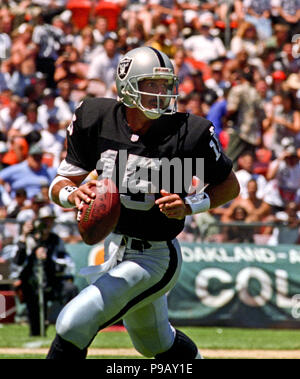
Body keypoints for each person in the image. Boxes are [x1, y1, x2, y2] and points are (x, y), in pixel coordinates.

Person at [46, 46, 239, 360]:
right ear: (126, 84)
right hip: (116, 246)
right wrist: (72, 195)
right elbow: (59, 184)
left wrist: (191, 205)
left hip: (156, 256)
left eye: (165, 85)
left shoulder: (190, 132)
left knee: (73, 323)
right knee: (153, 343)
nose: (161, 93)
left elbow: (229, 186)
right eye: (151, 84)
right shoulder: (96, 117)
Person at [12, 205, 78, 336]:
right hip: (33, 283)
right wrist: (24, 237)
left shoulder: (55, 240)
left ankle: (71, 326)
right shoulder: (29, 239)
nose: (48, 223)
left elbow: (65, 261)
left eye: (50, 220)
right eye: (45, 220)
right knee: (30, 294)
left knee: (70, 289)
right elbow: (18, 261)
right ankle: (37, 329)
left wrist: (50, 260)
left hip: (52, 281)